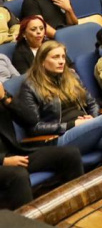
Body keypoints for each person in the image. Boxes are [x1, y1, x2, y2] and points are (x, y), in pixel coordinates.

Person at [18, 41, 102, 164]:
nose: (62, 61)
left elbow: (92, 103)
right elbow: (35, 128)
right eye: (55, 57)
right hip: (58, 137)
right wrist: (73, 124)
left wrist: (92, 118)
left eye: (63, 56)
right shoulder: (30, 86)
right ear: (42, 61)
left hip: (84, 130)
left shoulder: (71, 77)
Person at [0, 78, 84, 210]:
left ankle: (77, 208)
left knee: (70, 153)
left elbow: (30, 120)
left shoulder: (2, 96)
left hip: (16, 153)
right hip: (5, 163)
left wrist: (6, 99)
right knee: (18, 175)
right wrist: (3, 160)